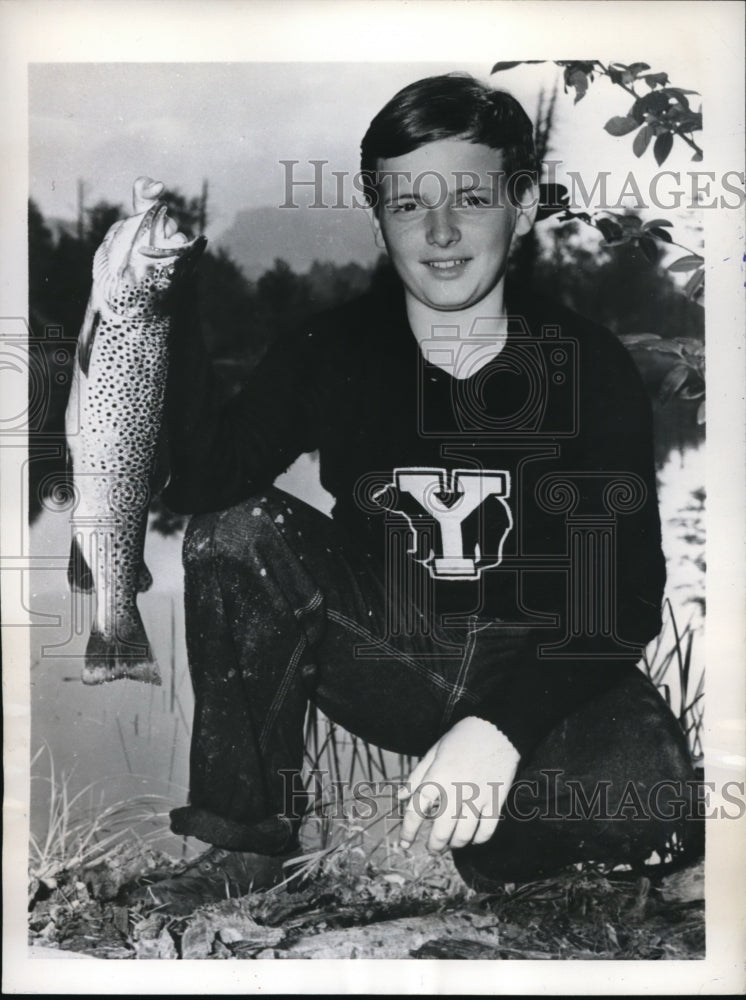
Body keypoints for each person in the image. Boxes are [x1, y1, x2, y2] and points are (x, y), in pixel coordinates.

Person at [119, 74, 701, 913]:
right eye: (404, 203)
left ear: (524, 202)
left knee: (655, 828)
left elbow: (623, 599)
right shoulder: (329, 346)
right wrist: (160, 302)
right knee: (234, 533)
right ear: (376, 210)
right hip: (391, 646)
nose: (438, 231)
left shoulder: (588, 362)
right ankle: (245, 845)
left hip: (542, 653)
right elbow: (209, 479)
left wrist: (501, 731)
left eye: (469, 197)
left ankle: (513, 847)